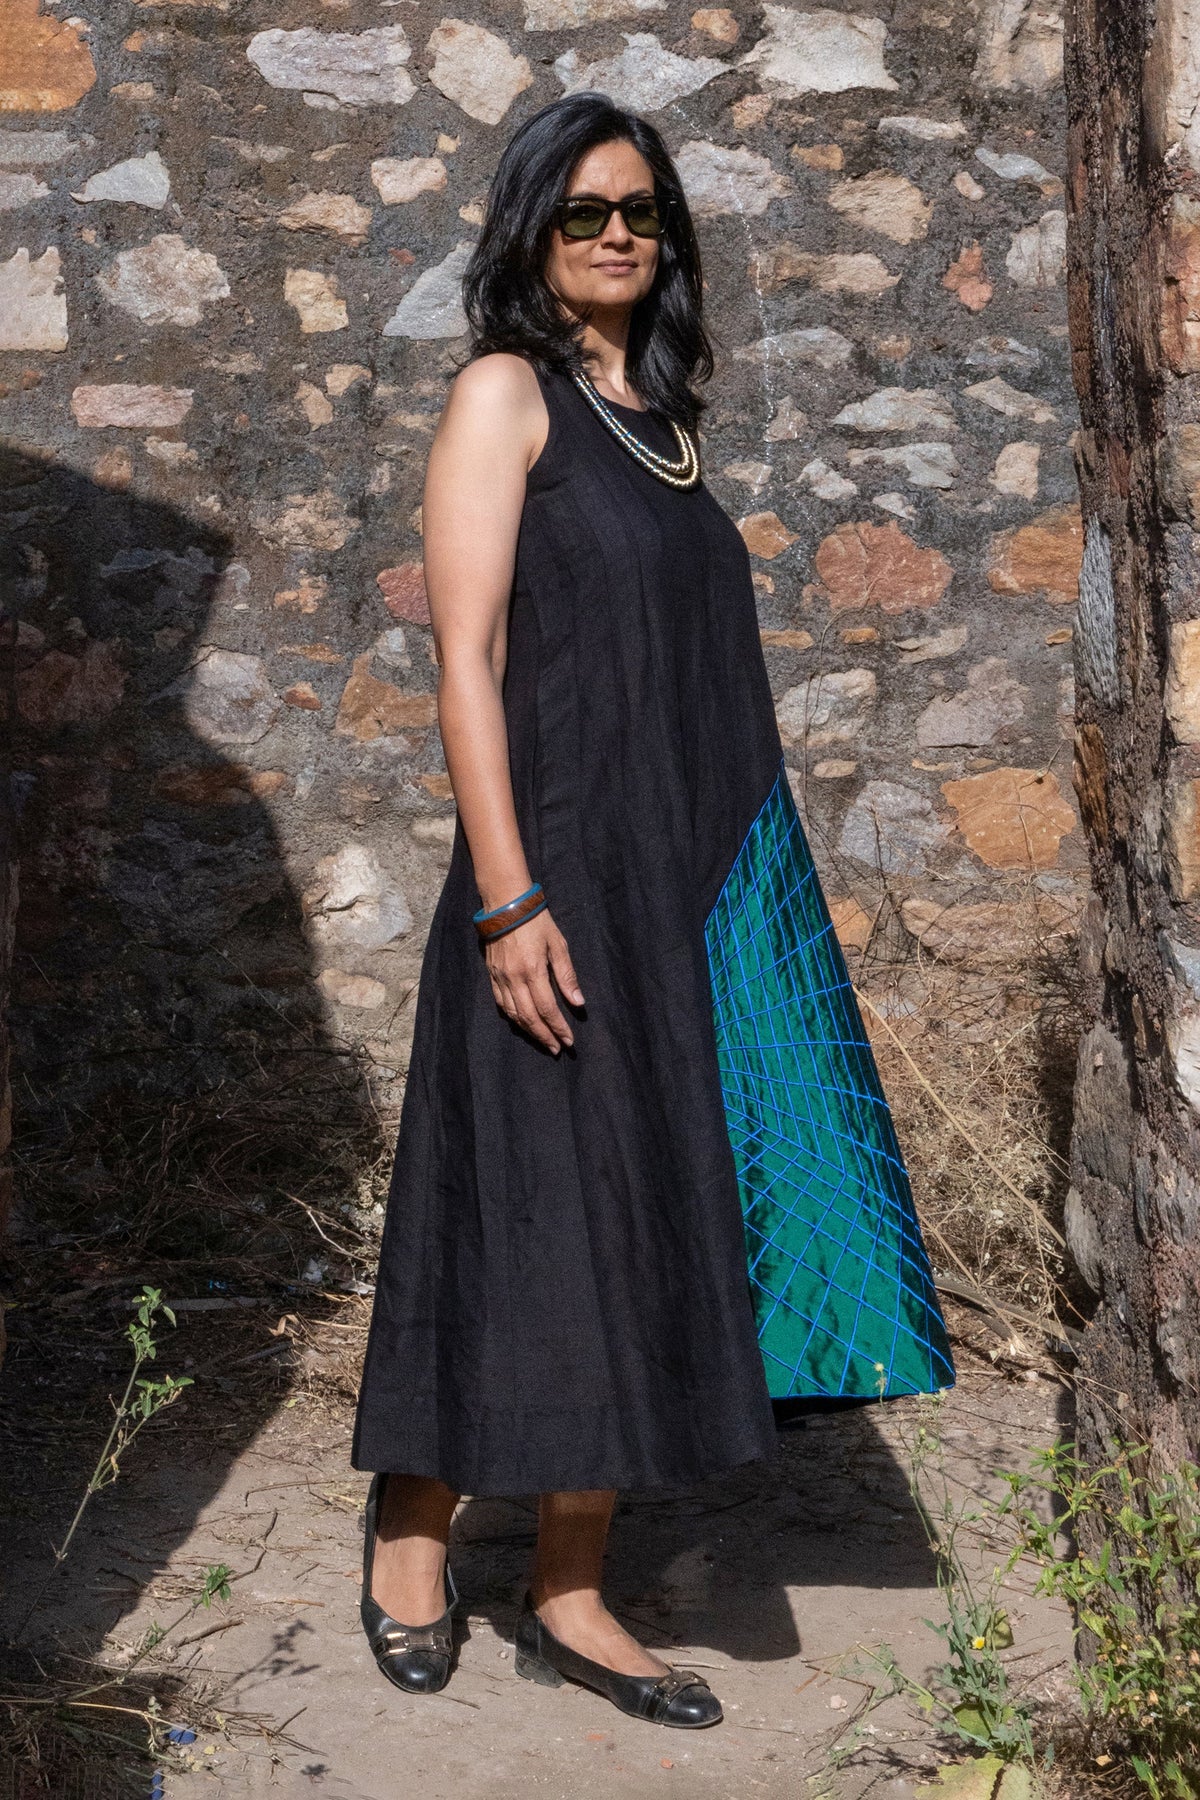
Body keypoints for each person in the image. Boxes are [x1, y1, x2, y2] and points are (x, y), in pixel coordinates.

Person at [351, 91, 954, 1729]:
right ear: (529, 230)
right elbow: (467, 661)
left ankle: (567, 1588)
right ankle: (412, 1529)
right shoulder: (506, 394)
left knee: (635, 1220)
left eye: (642, 211)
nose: (619, 234)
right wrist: (507, 900)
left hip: (677, 886)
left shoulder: (660, 421)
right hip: (551, 881)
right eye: (584, 211)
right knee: (522, 1208)